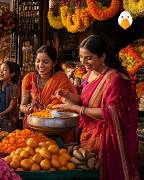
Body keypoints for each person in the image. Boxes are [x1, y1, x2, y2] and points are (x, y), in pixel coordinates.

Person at [55, 35, 139, 180]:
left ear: (103, 57)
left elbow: (112, 113)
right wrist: (68, 96)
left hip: (106, 140)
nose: (83, 62)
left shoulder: (114, 79)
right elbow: (85, 100)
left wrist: (76, 109)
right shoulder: (89, 74)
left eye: (88, 57)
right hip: (88, 136)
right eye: (81, 57)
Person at [20, 45, 77, 129]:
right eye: (38, 61)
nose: (40, 65)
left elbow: (69, 105)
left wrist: (50, 112)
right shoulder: (28, 78)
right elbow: (22, 106)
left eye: (45, 62)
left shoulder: (61, 79)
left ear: (54, 63)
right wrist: (28, 109)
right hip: (34, 124)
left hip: (56, 124)